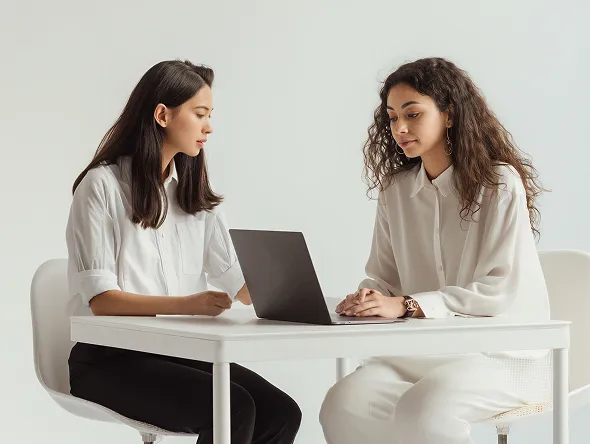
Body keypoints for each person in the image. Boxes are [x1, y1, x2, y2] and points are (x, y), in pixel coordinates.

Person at [66, 60, 301, 444]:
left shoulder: (194, 194)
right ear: (162, 114)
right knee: (234, 409)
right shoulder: (102, 186)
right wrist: (189, 304)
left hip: (177, 351)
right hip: (110, 360)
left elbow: (242, 286)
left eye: (210, 115)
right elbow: (102, 301)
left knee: (282, 413)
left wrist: (307, 297)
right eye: (200, 114)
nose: (209, 126)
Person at [319, 57, 550, 444]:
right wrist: (370, 297)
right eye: (392, 118)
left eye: (412, 114)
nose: (400, 128)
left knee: (425, 409)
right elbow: (383, 276)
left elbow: (496, 289)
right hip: (422, 351)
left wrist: (407, 305)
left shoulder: (498, 184)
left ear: (449, 115)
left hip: (504, 355)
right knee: (343, 403)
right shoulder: (396, 190)